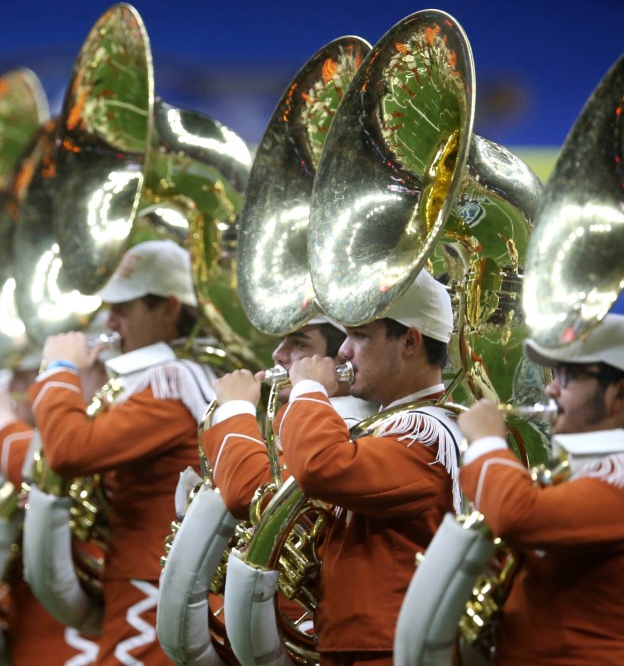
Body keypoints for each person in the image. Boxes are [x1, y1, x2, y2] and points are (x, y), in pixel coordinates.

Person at [30, 240, 216, 665]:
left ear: (169, 308)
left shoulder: (171, 383)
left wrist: (61, 371)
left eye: (124, 308)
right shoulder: (151, 378)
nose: (110, 321)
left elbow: (69, 451)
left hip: (154, 584)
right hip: (140, 578)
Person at [456, 313, 624, 665]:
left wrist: (487, 443)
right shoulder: (589, 473)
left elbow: (517, 515)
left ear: (619, 394)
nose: (550, 388)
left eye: (569, 376)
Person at [280, 269, 462, 666]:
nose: (343, 351)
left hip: (388, 651)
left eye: (360, 335)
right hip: (360, 646)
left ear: (410, 341)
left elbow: (320, 466)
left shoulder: (426, 434)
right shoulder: (390, 428)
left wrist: (308, 390)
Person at [202, 317, 375, 520]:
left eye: (298, 343)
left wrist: (236, 408)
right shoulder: (307, 414)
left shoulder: (347, 423)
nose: (277, 354)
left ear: (341, 361)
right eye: (282, 341)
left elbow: (251, 497)